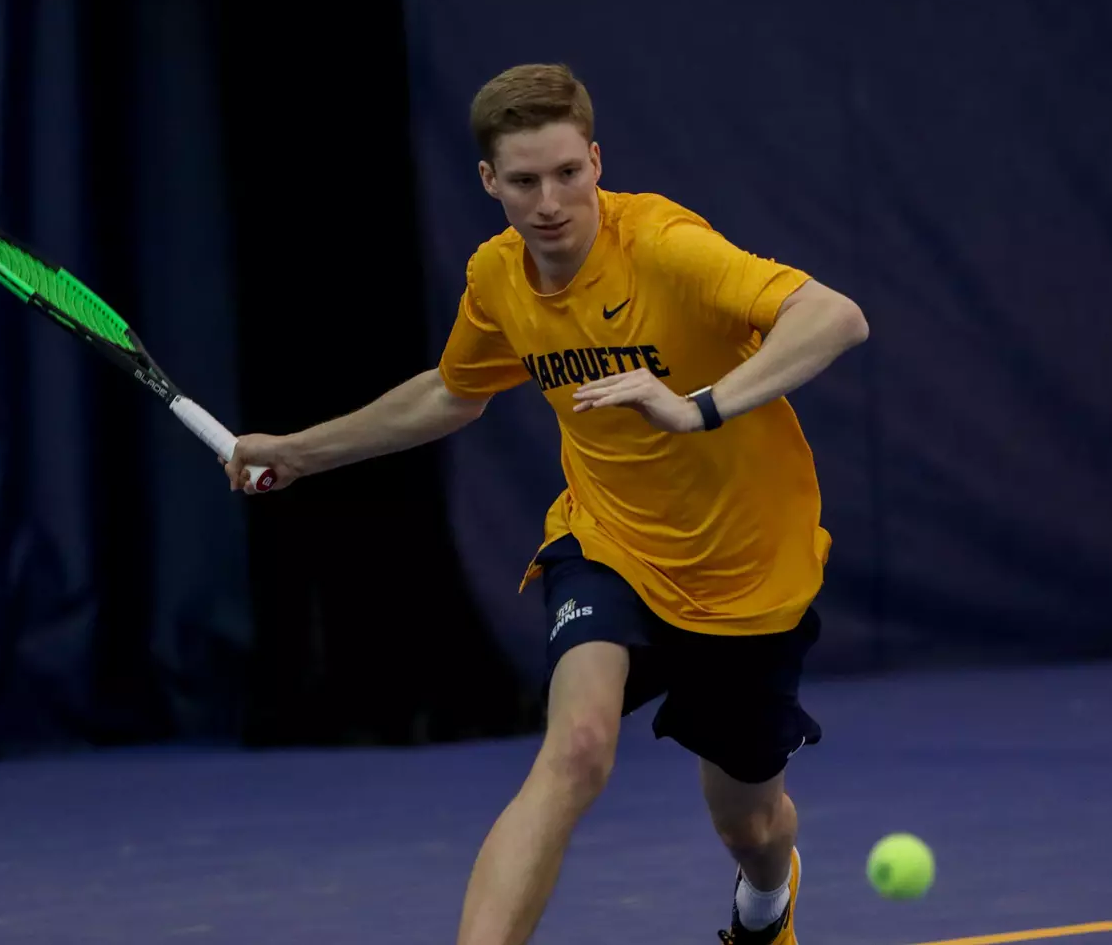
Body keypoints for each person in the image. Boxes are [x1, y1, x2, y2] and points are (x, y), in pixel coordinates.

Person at [224, 63, 869, 944]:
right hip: (608, 544)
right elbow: (452, 393)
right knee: (573, 751)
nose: (551, 199)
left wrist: (699, 405)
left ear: (596, 160)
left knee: (751, 826)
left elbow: (834, 317)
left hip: (749, 571)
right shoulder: (498, 278)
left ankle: (767, 903)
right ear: (490, 182)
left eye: (569, 172)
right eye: (524, 181)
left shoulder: (665, 249)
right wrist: (299, 452)